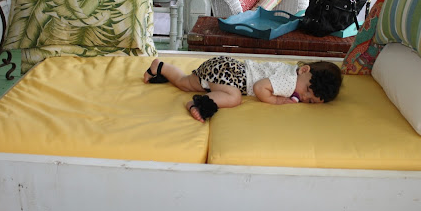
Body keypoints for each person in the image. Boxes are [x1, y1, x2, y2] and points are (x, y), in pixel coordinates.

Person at [144, 56, 342, 122]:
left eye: (310, 100)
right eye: (307, 90)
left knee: (184, 82)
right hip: (232, 75)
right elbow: (259, 87)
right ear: (304, 70)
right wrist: (277, 101)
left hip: (224, 67)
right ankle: (197, 104)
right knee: (234, 97)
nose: (303, 97)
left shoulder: (292, 72)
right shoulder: (290, 81)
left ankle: (159, 67)